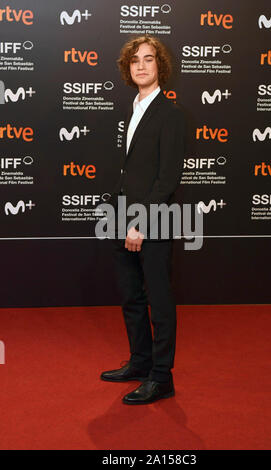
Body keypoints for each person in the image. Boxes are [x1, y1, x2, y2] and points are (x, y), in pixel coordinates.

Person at [100, 35, 187, 405]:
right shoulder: (133, 109)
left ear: (160, 66)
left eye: (148, 59)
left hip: (152, 219)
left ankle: (161, 377)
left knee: (159, 299)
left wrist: (139, 222)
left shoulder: (171, 114)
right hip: (123, 214)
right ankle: (139, 362)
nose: (141, 65)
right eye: (134, 60)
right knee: (131, 296)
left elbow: (167, 178)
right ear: (127, 67)